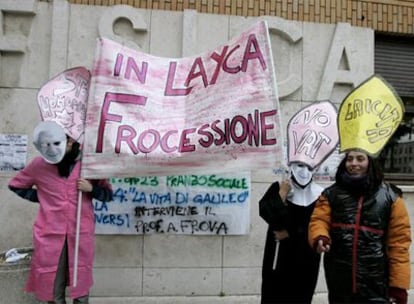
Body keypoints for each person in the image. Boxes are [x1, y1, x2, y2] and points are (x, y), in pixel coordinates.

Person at [8, 131, 113, 304]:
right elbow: (16, 185)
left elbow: (108, 195)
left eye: (57, 144)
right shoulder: (39, 165)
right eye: (48, 145)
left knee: (80, 282)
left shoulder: (88, 165)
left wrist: (92, 189)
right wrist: (42, 198)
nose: (52, 149)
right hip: (49, 233)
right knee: (52, 285)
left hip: (80, 232)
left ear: (71, 141)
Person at [308, 150, 411, 304]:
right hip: (340, 280)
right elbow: (319, 220)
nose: (354, 164)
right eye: (350, 159)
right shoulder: (331, 194)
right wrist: (320, 237)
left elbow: (399, 243)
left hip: (376, 281)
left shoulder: (391, 197)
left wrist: (398, 286)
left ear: (370, 162)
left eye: (360, 159)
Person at [259, 162, 323, 304]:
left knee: (302, 295)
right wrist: (282, 193)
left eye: (309, 167)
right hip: (279, 256)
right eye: (300, 165)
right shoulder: (279, 188)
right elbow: (267, 213)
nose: (305, 171)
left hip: (306, 258)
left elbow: (318, 225)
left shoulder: (320, 194)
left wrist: (290, 233)